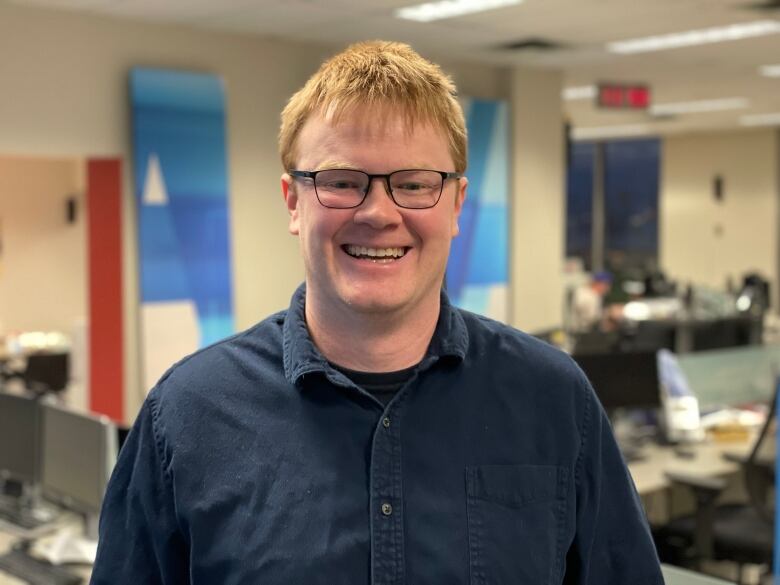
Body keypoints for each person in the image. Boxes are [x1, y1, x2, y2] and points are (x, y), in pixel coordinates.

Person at [91, 41, 663, 584]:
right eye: (342, 182)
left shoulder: (553, 400)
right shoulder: (187, 415)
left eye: (414, 184)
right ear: (294, 201)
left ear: (458, 204)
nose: (379, 213)